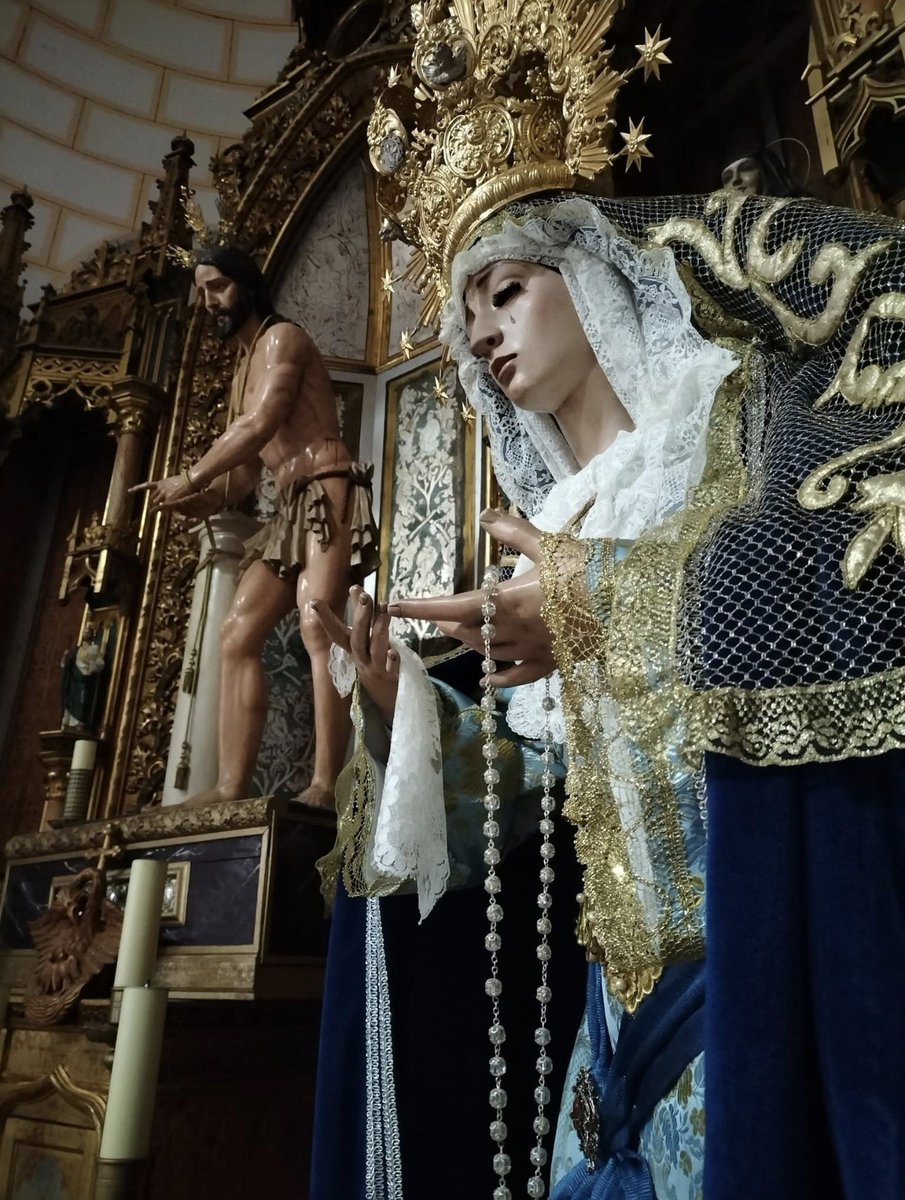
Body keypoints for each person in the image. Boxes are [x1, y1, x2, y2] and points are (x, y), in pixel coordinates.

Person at [315, 185, 905, 1200]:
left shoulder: (734, 427)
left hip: (754, 958)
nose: (487, 335)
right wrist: (401, 705)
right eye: (467, 323)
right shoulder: (554, 519)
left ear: (590, 276)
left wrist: (599, 598)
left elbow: (814, 601)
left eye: (506, 291)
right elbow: (538, 786)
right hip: (608, 1018)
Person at [133, 246, 379, 810]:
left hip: (327, 487)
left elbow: (261, 421)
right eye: (201, 292)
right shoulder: (244, 365)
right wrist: (207, 498)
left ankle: (327, 784)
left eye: (217, 287)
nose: (208, 302)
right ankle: (228, 786)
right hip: (287, 507)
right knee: (236, 632)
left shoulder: (282, 340)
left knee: (320, 622)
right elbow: (246, 469)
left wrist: (191, 476)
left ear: (246, 285)